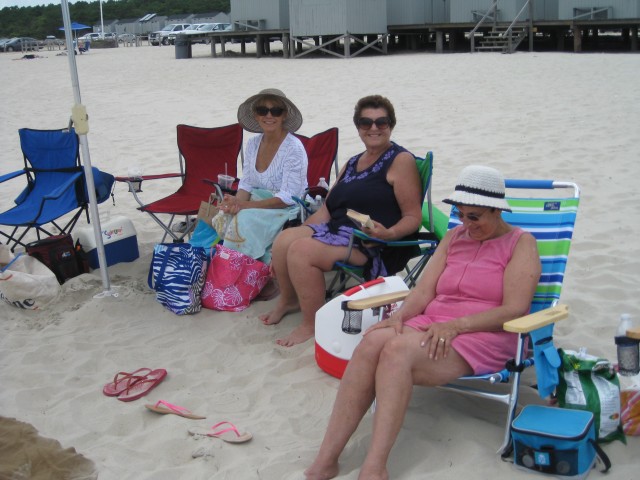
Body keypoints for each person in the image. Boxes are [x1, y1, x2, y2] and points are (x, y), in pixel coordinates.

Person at [304, 165, 542, 480]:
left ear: (497, 210)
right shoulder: (455, 237)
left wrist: (456, 326)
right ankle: (327, 458)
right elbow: (425, 290)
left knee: (396, 352)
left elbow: (514, 309)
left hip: (486, 332)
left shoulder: (521, 243)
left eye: (475, 216)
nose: (467, 224)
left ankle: (375, 466)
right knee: (372, 341)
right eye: (461, 215)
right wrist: (399, 317)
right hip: (433, 322)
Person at [260, 95, 423, 347]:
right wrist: (302, 230)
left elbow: (413, 217)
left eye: (381, 122)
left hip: (370, 243)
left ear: (391, 125)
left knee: (301, 251)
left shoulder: (400, 161)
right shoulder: (353, 162)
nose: (374, 128)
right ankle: (289, 300)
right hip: (336, 230)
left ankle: (311, 324)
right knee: (284, 240)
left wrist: (389, 233)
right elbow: (327, 208)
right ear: (358, 127)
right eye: (366, 122)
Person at [217, 88, 308, 265]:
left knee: (243, 220)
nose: (269, 115)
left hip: (286, 209)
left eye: (276, 111)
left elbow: (287, 198)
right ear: (255, 115)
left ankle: (239, 268)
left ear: (284, 115)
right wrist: (235, 203)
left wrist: (244, 206)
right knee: (222, 216)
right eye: (262, 110)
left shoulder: (294, 148)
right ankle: (231, 267)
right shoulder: (253, 144)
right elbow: (247, 183)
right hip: (257, 203)